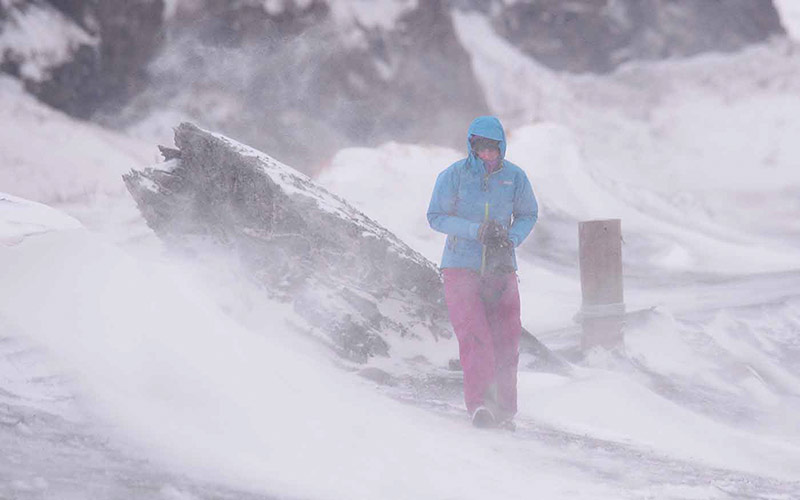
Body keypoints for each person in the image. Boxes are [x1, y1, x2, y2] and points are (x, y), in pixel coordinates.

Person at [427, 116, 538, 429]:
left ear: (502, 146)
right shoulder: (454, 176)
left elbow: (529, 214)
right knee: (476, 338)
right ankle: (480, 406)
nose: (487, 155)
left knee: (507, 339)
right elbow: (436, 216)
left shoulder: (515, 177)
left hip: (502, 269)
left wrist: (510, 239)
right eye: (481, 149)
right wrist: (476, 231)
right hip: (461, 267)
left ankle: (505, 409)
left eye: (493, 149)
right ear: (472, 147)